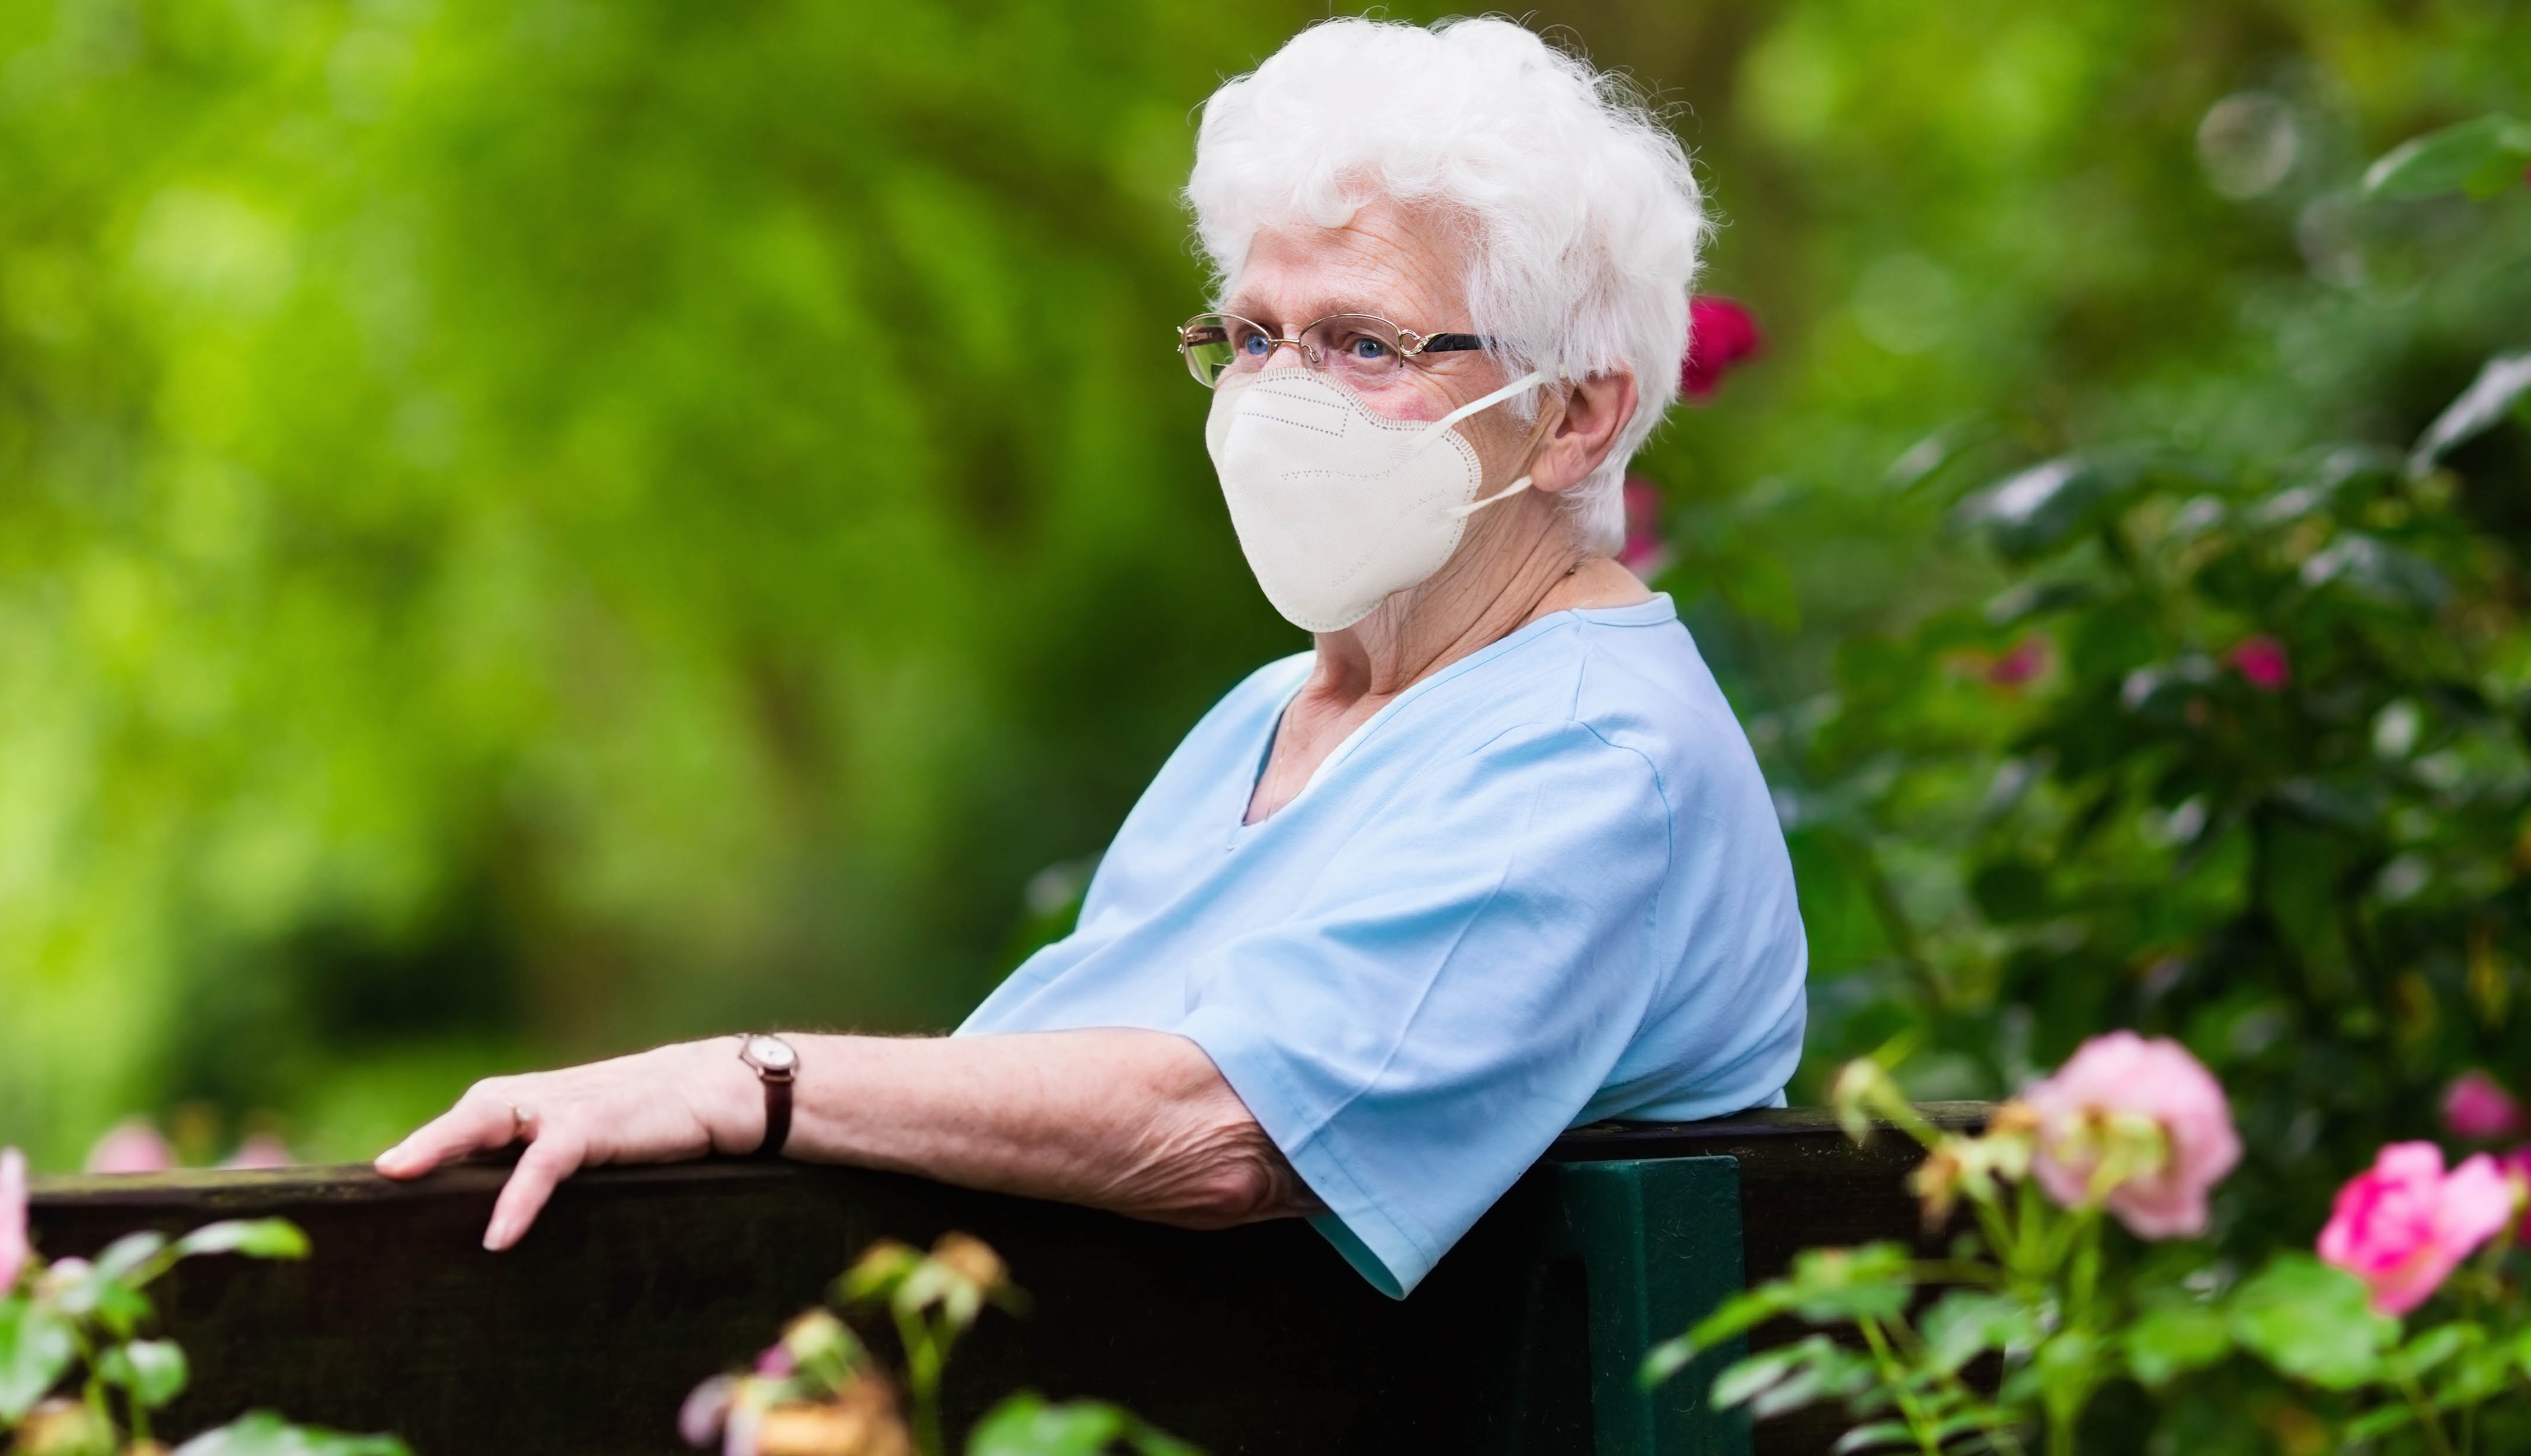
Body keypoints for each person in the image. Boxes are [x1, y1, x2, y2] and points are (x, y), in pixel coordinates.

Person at [375, 15, 1806, 1300]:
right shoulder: (1270, 715)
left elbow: (1220, 1129)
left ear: (1570, 416)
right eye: (1251, 336)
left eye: (1362, 344)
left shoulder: (1594, 758)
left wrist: (745, 1076)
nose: (1278, 398)